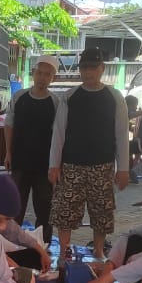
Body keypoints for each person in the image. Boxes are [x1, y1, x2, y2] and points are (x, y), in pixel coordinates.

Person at [48, 46, 129, 263]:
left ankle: (99, 251)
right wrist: (53, 165)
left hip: (102, 167)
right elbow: (58, 133)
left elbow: (122, 134)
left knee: (101, 213)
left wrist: (123, 169)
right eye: (84, 68)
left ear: (102, 68)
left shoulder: (114, 97)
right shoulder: (70, 96)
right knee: (65, 212)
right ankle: (64, 252)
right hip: (71, 166)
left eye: (93, 68)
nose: (88, 72)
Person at [3, 55, 59, 244]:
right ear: (33, 74)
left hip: (44, 164)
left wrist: (56, 164)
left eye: (47, 74)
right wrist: (8, 152)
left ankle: (43, 245)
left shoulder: (56, 102)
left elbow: (59, 135)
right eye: (39, 73)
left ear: (53, 78)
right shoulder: (19, 97)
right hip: (20, 161)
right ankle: (10, 243)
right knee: (14, 205)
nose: (42, 77)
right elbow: (9, 125)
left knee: (45, 208)